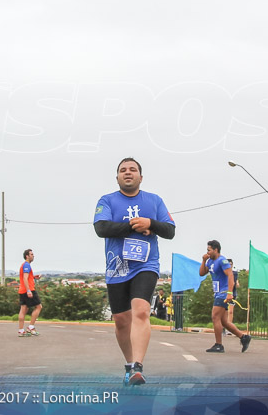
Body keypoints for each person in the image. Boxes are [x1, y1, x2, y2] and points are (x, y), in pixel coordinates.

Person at [93, 157, 176, 386]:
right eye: (122, 170)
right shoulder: (107, 200)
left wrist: (150, 223)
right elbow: (101, 228)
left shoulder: (154, 200)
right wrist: (131, 225)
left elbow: (169, 231)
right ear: (117, 177)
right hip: (117, 268)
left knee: (141, 310)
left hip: (145, 265)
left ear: (141, 176)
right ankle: (130, 365)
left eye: (132, 170)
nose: (127, 173)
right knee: (121, 320)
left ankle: (138, 365)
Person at [198, 240, 251, 353]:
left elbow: (230, 275)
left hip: (223, 293)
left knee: (215, 317)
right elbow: (202, 273)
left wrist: (230, 293)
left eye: (209, 250)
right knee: (224, 321)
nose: (207, 252)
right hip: (217, 292)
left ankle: (219, 345)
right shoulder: (210, 261)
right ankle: (243, 337)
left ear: (215, 250)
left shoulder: (222, 260)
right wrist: (203, 260)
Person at [18, 249, 43, 337]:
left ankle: (21, 331)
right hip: (28, 290)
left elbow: (27, 277)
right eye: (31, 254)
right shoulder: (26, 265)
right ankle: (31, 327)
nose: (33, 256)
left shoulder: (24, 265)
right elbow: (25, 278)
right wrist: (28, 290)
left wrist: (33, 277)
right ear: (27, 256)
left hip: (22, 290)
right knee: (39, 307)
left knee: (23, 310)